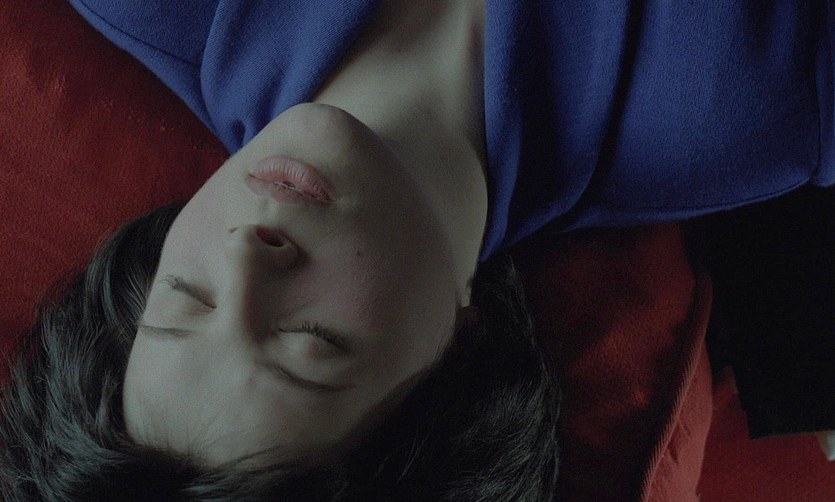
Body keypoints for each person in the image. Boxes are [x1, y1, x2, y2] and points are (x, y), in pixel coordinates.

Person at [2, 0, 834, 500]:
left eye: (185, 295)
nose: (247, 253)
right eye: (314, 342)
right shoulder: (757, 101)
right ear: (458, 354)